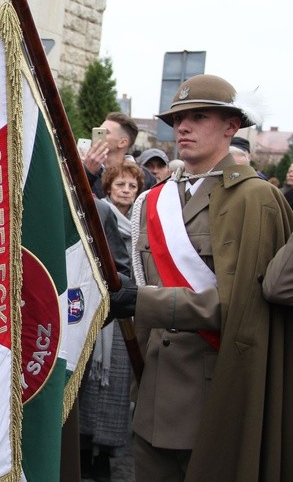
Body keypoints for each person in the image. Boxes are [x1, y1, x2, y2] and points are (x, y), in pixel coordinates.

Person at [109, 74, 293, 481]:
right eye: (177, 119)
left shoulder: (255, 198)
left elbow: (245, 308)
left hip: (216, 398)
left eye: (199, 116)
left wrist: (141, 301)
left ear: (231, 125)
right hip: (155, 396)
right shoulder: (155, 199)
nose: (183, 127)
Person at [78, 162, 143, 481]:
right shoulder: (100, 213)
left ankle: (105, 452)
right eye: (121, 185)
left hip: (123, 316)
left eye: (132, 186)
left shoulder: (141, 222)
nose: (126, 191)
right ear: (108, 188)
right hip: (97, 312)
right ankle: (82, 450)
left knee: (115, 388)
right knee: (90, 384)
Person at [82, 112, 156, 198]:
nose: (97, 135)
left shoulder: (145, 177)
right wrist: (88, 173)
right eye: (98, 131)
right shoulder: (87, 169)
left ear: (122, 142)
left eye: (105, 132)